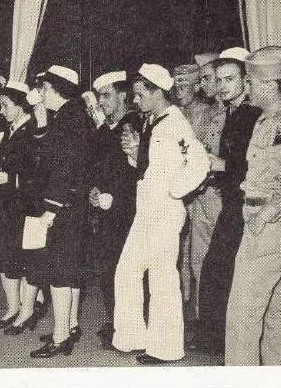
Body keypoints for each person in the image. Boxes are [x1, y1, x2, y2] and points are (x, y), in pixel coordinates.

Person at [225, 46, 281, 365]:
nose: (246, 88)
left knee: (242, 317)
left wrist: (262, 215)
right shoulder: (273, 119)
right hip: (276, 226)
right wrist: (254, 185)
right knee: (274, 314)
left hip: (269, 228)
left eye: (248, 82)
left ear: (267, 85)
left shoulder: (280, 123)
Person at [111, 63, 209, 365]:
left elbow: (199, 163)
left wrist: (174, 191)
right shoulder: (152, 120)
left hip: (164, 211)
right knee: (126, 270)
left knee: (162, 278)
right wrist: (134, 153)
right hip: (146, 210)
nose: (135, 101)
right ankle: (132, 336)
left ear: (157, 92)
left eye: (140, 95)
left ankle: (165, 348)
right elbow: (150, 166)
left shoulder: (175, 123)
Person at [194, 48, 262, 354]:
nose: (221, 86)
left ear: (246, 81)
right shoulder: (233, 113)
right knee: (216, 269)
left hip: (250, 206)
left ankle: (223, 342)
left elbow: (260, 166)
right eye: (218, 79)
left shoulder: (253, 115)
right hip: (233, 201)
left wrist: (223, 167)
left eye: (229, 79)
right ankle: (217, 340)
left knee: (221, 270)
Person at [25, 65, 90, 358]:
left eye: (46, 88)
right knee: (69, 270)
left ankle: (62, 336)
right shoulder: (69, 116)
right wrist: (40, 118)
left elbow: (63, 169)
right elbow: (48, 152)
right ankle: (69, 326)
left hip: (62, 205)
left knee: (59, 272)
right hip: (70, 204)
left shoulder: (68, 120)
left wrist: (51, 210)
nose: (42, 93)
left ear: (57, 90)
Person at [0, 80, 45, 332]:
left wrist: (10, 178)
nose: (1, 110)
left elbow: (39, 171)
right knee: (5, 257)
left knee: (26, 259)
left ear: (21, 106)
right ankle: (13, 308)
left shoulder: (33, 131)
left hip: (26, 205)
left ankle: (27, 310)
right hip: (7, 204)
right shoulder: (10, 130)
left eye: (5, 105)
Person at [87, 71, 141, 349]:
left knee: (127, 270)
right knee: (108, 268)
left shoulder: (134, 125)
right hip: (105, 210)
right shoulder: (103, 130)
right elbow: (95, 167)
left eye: (106, 95)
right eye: (99, 97)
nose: (101, 101)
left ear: (123, 95)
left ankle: (132, 326)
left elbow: (135, 172)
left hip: (128, 210)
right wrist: (94, 190)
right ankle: (117, 321)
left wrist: (114, 198)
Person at [172, 63, 216, 318]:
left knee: (200, 254)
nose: (179, 91)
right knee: (180, 254)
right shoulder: (175, 112)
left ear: (197, 86)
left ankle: (201, 314)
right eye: (177, 86)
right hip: (180, 193)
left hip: (204, 193)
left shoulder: (208, 113)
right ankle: (185, 310)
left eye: (185, 85)